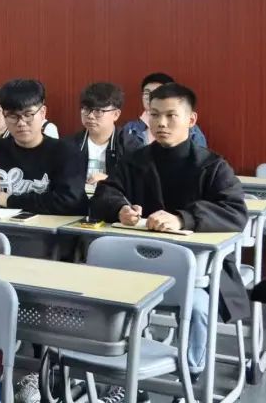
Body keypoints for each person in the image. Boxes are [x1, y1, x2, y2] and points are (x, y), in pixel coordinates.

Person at [91, 83, 248, 386]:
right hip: (137, 268)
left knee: (199, 306)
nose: (161, 123)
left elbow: (234, 212)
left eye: (171, 116)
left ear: (191, 120)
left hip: (194, 273)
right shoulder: (135, 160)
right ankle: (118, 374)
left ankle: (190, 375)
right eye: (154, 115)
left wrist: (182, 218)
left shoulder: (212, 166)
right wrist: (120, 209)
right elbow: (105, 194)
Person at [0, 79, 87, 215]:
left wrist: (11, 200)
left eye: (28, 115)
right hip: (4, 225)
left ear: (43, 112)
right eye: (12, 116)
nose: (21, 123)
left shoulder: (66, 153)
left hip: (53, 227)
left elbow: (68, 201)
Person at [65, 82, 137, 186]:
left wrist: (108, 180)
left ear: (116, 114)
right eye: (86, 109)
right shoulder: (68, 145)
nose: (90, 116)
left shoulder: (130, 147)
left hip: (113, 196)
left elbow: (137, 184)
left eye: (98, 111)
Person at [122, 72, 207, 149]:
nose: (151, 97)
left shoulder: (190, 128)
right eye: (147, 93)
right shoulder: (130, 129)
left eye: (157, 92)